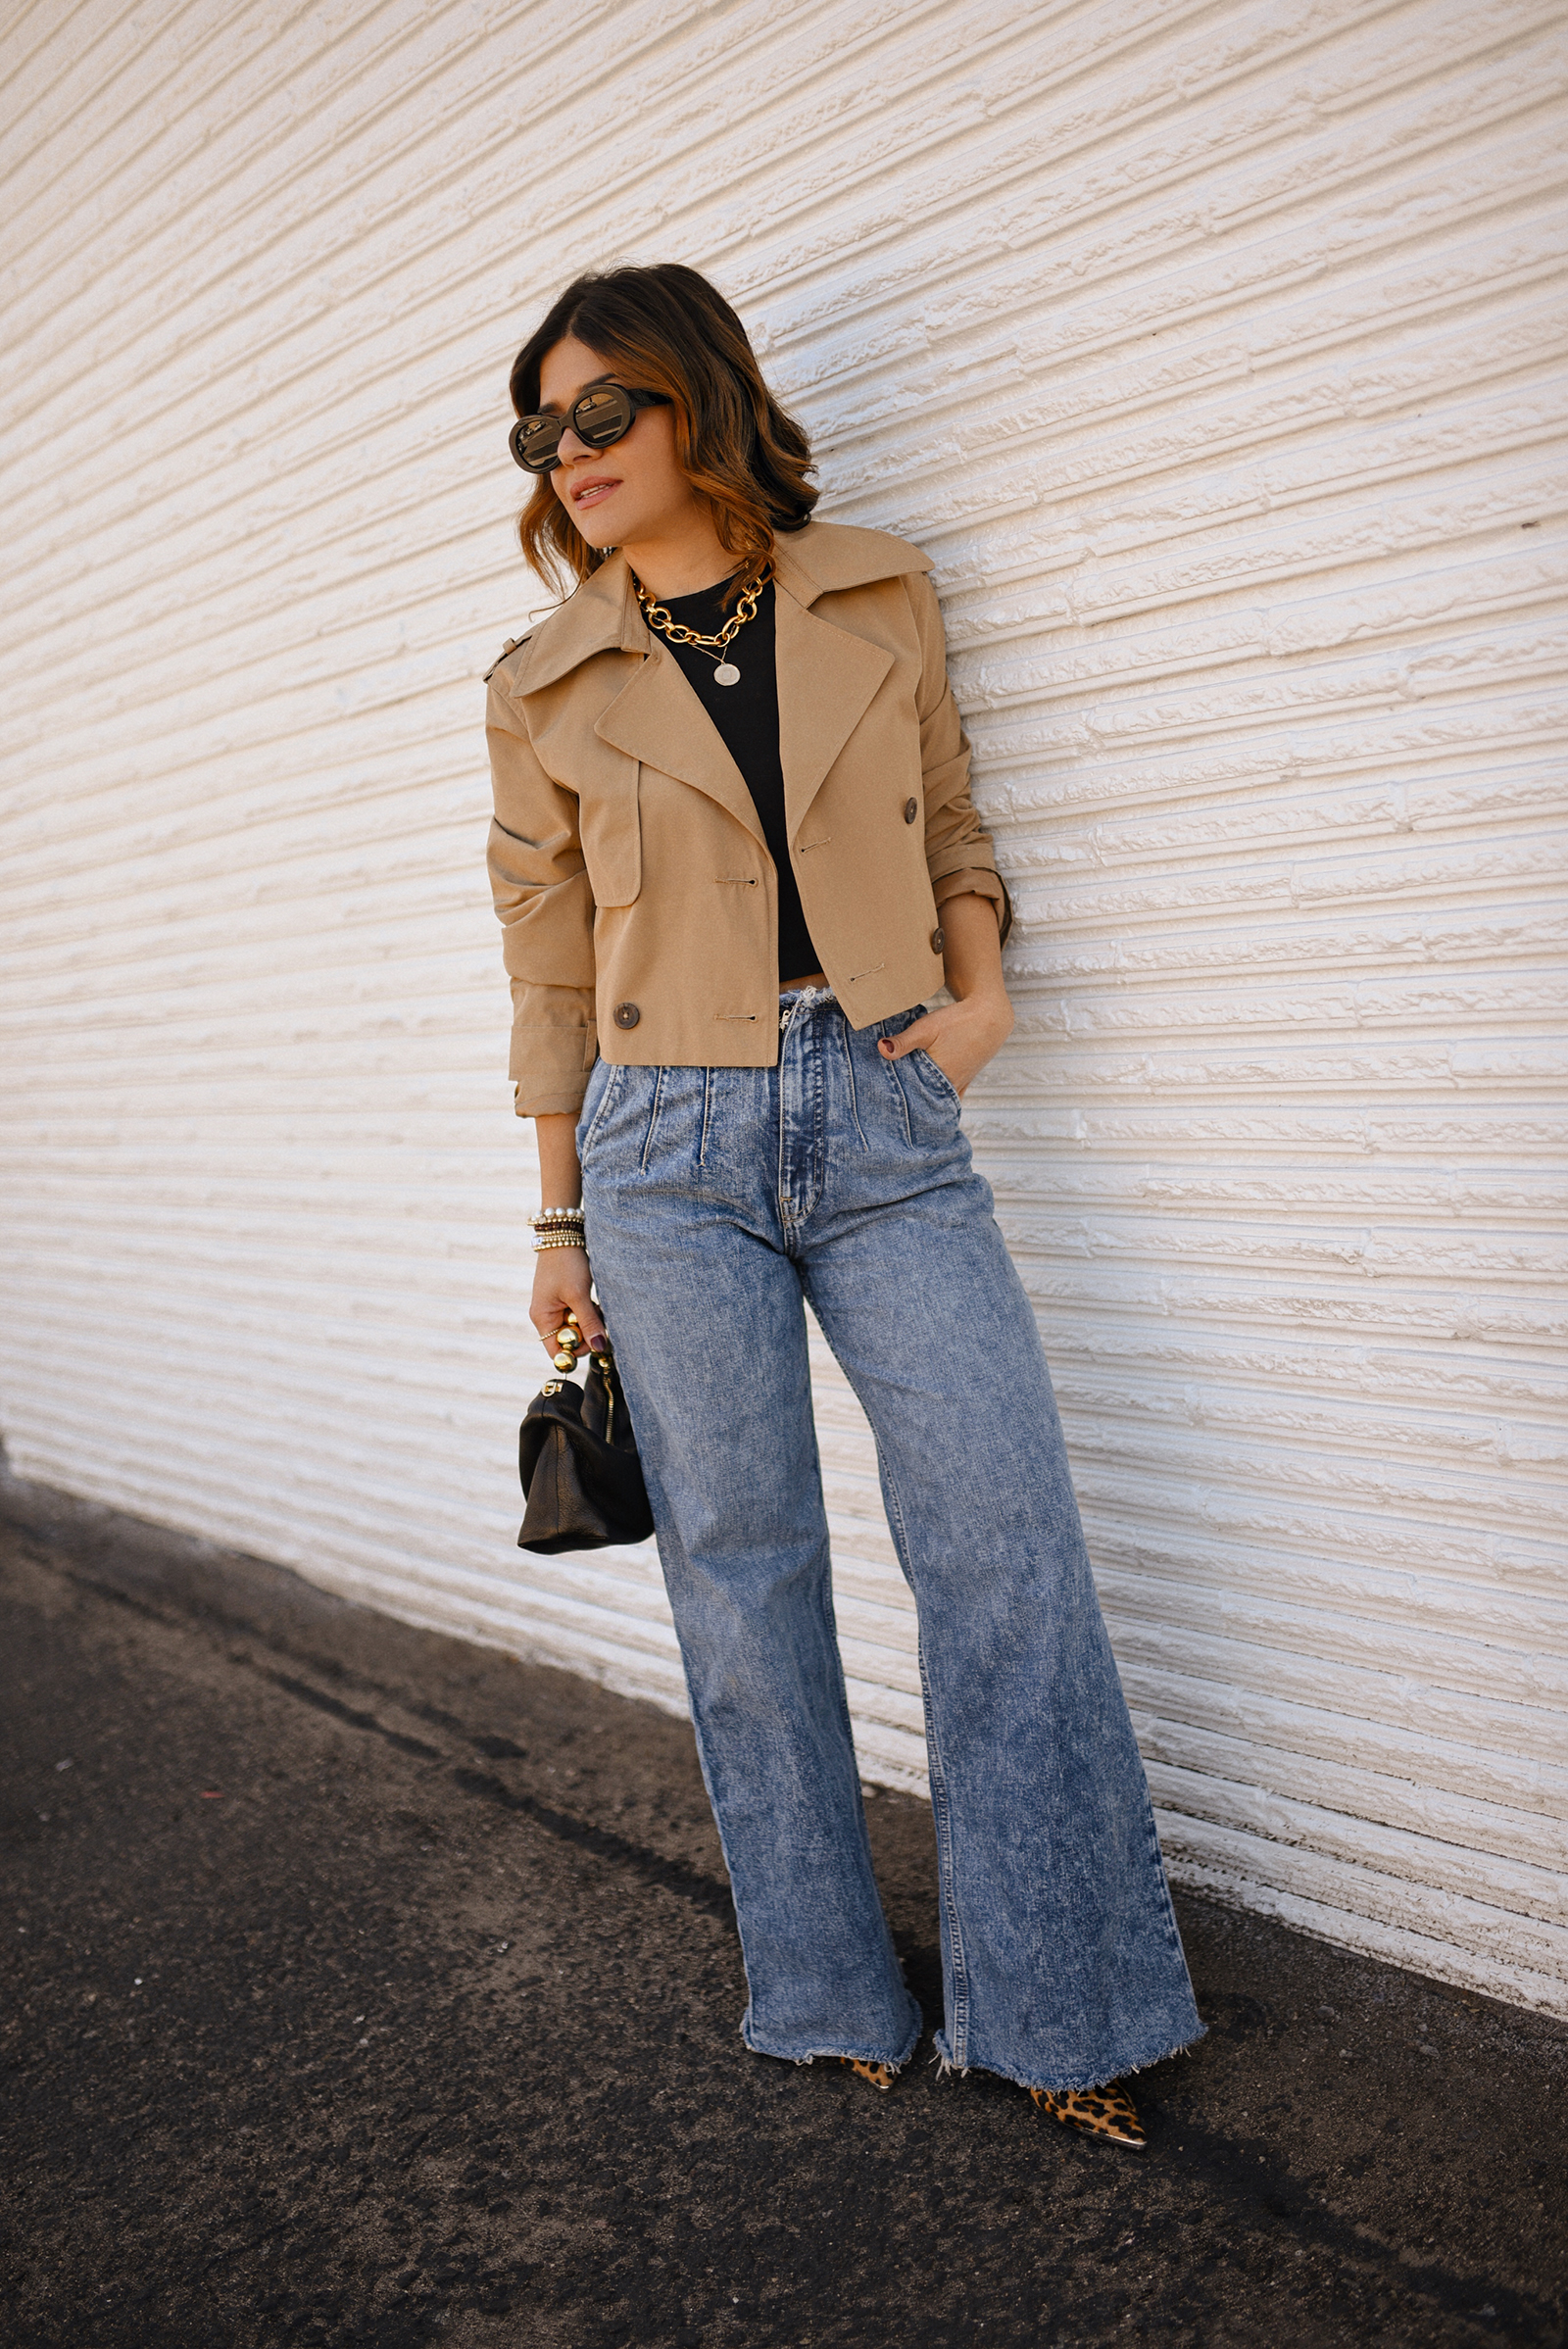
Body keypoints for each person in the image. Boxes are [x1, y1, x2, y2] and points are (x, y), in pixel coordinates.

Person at [484, 264, 1202, 2148]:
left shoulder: (877, 589)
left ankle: (1060, 2004)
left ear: (700, 405)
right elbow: (547, 962)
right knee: (744, 1577)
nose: (571, 457)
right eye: (540, 430)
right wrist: (557, 1224)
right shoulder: (543, 681)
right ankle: (821, 1990)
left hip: (881, 1110)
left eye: (601, 414)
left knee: (1005, 1540)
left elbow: (953, 817)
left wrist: (974, 1009)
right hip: (660, 1143)